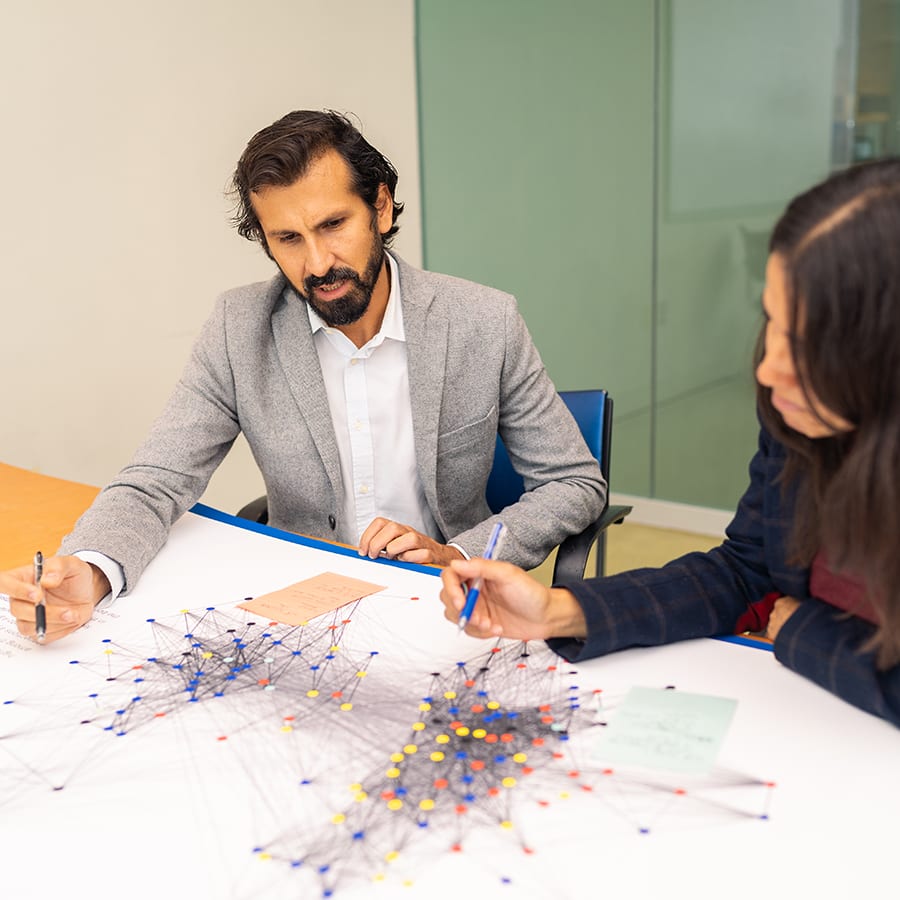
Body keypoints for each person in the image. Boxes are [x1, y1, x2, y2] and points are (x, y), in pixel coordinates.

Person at [2, 110, 605, 644]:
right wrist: (92, 568)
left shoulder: (483, 321)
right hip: (296, 609)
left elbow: (574, 483)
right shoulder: (239, 328)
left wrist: (457, 554)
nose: (316, 264)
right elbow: (155, 481)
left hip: (443, 607)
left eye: (333, 225)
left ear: (382, 206)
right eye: (287, 238)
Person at [439, 157, 900, 728]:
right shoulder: (799, 421)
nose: (770, 369)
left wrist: (802, 630)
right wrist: (557, 610)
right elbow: (743, 573)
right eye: (773, 323)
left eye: (810, 342)